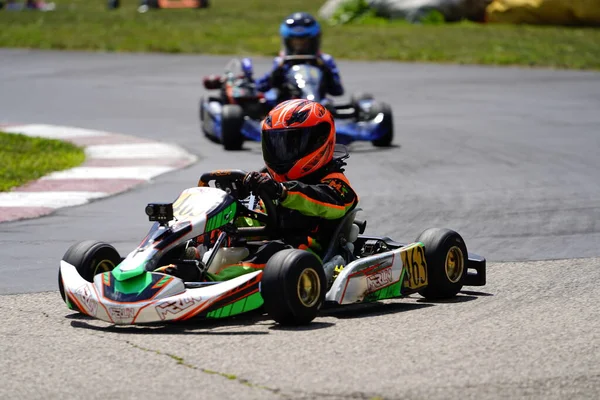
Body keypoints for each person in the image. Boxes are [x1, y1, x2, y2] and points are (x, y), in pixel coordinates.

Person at [184, 99, 359, 282]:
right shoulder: (269, 178)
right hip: (266, 240)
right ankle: (179, 262)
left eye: (290, 144)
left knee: (270, 253)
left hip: (302, 255)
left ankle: (209, 282)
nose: (282, 152)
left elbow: (323, 202)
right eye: (275, 144)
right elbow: (258, 214)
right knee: (221, 221)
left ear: (319, 140)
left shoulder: (336, 184)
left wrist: (282, 191)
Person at [255, 12, 344, 99]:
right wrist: (277, 72)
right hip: (288, 107)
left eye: (304, 41)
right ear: (288, 42)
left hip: (319, 107)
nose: (300, 46)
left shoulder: (325, 60)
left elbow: (337, 90)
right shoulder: (281, 62)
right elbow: (261, 87)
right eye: (295, 42)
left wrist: (325, 69)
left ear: (314, 41)